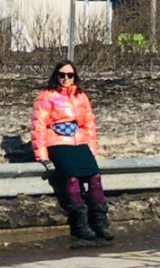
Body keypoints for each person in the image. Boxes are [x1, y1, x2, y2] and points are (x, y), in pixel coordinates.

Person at [30, 60, 114, 242]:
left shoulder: (81, 96)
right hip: (57, 144)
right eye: (62, 75)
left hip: (79, 143)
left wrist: (92, 151)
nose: (66, 78)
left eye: (70, 75)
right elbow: (38, 127)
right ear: (56, 76)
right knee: (72, 178)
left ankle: (100, 221)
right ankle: (79, 223)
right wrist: (42, 156)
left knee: (95, 176)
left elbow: (89, 125)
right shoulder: (46, 96)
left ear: (75, 76)